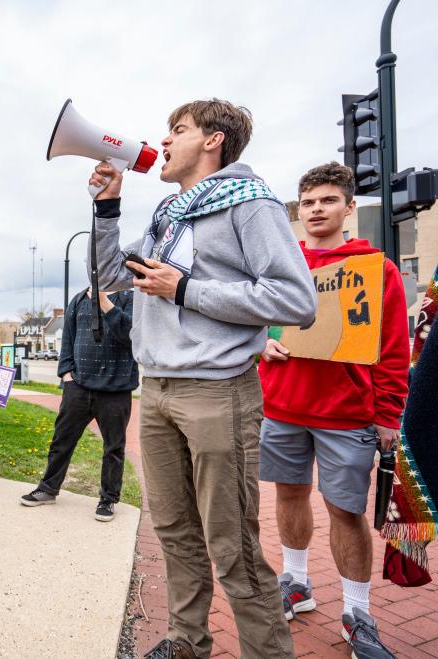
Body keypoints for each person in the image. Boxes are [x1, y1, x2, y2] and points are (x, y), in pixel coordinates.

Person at [88, 99, 316, 658]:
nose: (163, 142)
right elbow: (112, 276)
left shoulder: (251, 203)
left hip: (218, 393)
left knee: (233, 544)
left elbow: (295, 299)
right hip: (159, 389)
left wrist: (185, 289)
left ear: (213, 141)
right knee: (172, 527)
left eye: (178, 130)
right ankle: (187, 639)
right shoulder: (169, 213)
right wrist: (108, 210)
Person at [258, 163, 408, 659]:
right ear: (297, 211)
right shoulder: (284, 264)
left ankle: (357, 613)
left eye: (326, 200)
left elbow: (392, 348)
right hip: (282, 406)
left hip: (348, 414)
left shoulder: (376, 268)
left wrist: (388, 414)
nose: (316, 209)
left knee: (346, 512)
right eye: (307, 202)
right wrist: (263, 344)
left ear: (348, 207)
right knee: (289, 496)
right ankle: (296, 583)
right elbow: (256, 322)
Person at [20, 288, 137, 521]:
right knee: (61, 440)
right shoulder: (78, 299)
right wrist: (66, 374)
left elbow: (131, 334)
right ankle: (48, 489)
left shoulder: (130, 298)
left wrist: (105, 303)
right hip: (79, 387)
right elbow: (68, 340)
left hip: (116, 389)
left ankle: (108, 499)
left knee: (113, 448)